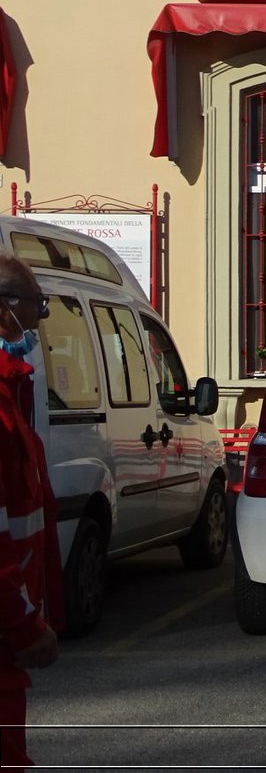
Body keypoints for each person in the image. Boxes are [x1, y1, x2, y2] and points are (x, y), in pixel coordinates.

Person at [0, 255, 63, 768]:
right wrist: (25, 626)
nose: (40, 320)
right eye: (35, 305)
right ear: (4, 312)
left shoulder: (11, 391)